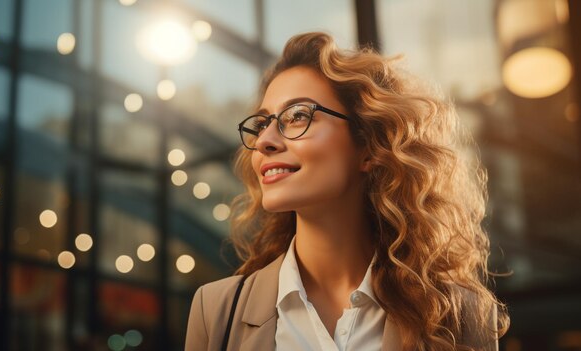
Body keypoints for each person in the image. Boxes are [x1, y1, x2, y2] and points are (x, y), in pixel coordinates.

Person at [185, 32, 509, 351]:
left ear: (368, 147)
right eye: (261, 124)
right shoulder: (217, 311)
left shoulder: (460, 315)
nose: (265, 141)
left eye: (297, 116)